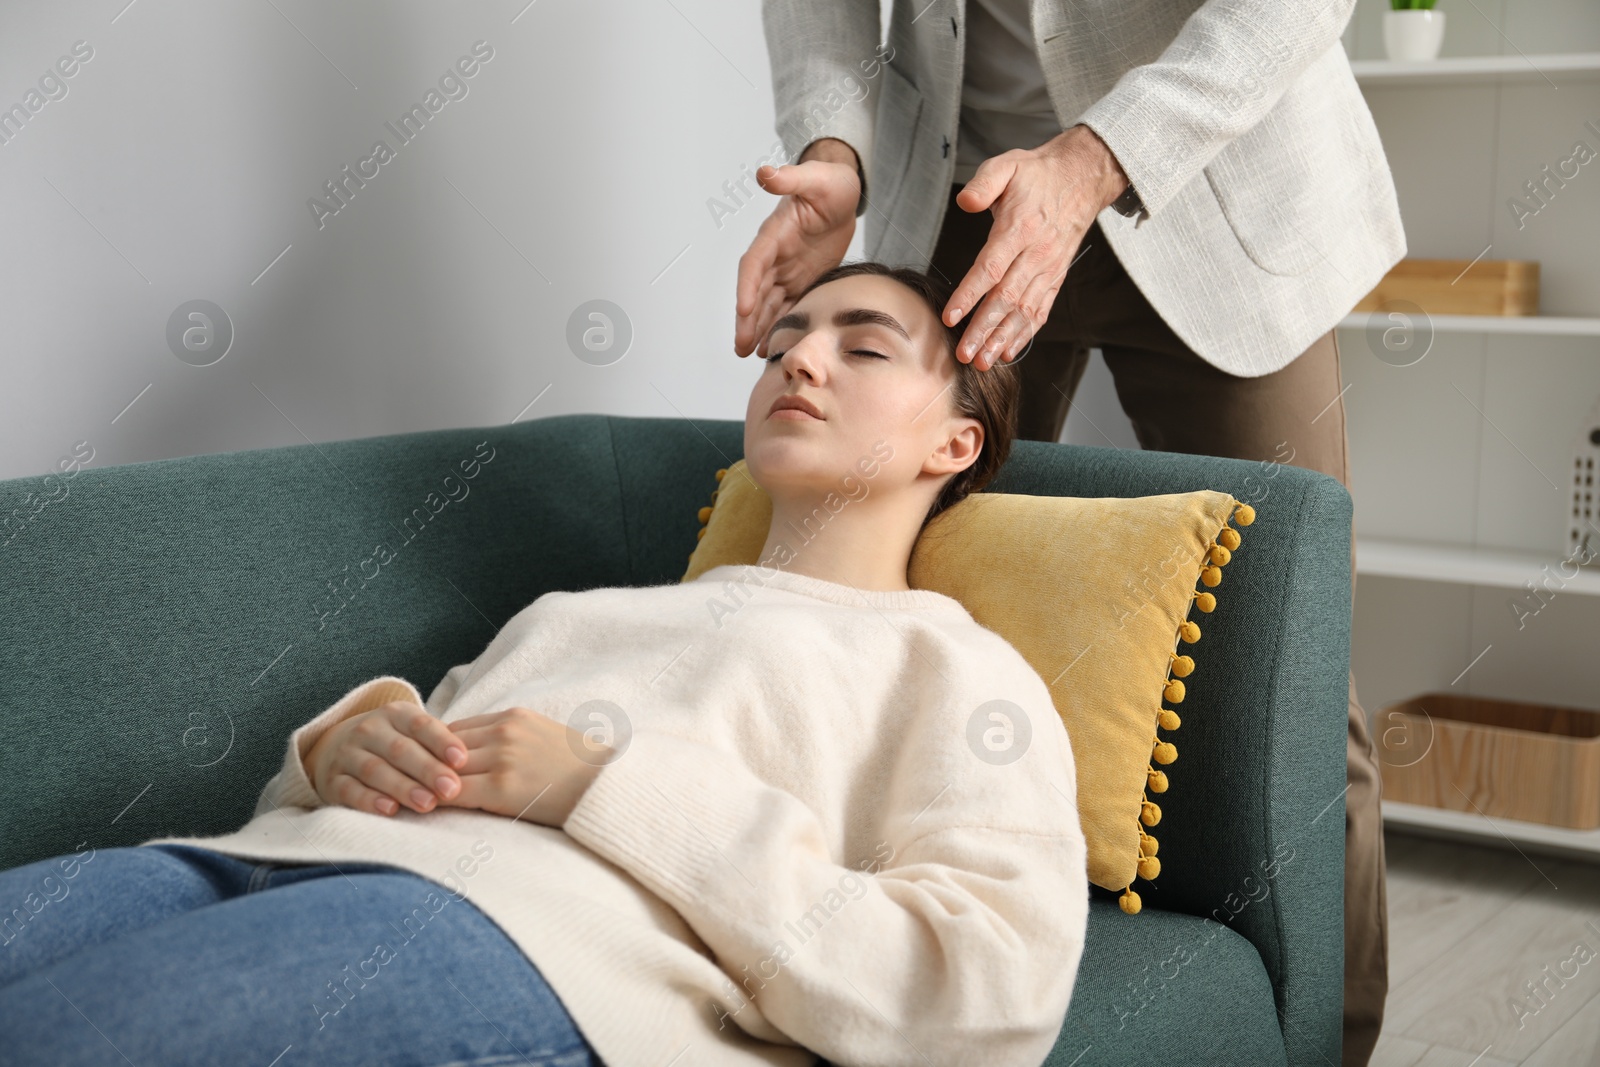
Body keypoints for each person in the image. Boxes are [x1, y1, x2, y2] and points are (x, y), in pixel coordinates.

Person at [0, 264, 1091, 1067]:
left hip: (516, 936)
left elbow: (985, 997)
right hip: (256, 856)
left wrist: (599, 783)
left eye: (862, 346)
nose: (798, 358)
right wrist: (343, 747)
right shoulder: (583, 611)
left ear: (956, 443)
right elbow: (428, 756)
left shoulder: (955, 670)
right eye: (783, 340)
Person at [737, 5, 1401, 1064]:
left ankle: (1326, 1046)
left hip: (1207, 182)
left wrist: (1097, 159)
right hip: (966, 189)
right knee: (894, 610)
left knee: (1294, 671)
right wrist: (834, 145)